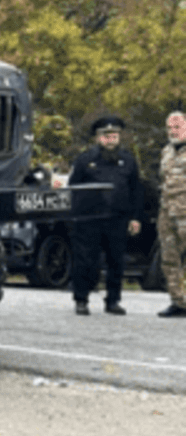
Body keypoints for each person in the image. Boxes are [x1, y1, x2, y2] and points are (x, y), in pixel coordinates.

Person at [68, 116, 143, 315]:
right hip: (89, 219)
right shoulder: (85, 160)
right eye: (106, 136)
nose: (111, 139)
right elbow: (73, 187)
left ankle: (113, 300)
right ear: (97, 138)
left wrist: (135, 217)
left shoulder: (128, 160)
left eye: (115, 135)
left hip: (117, 218)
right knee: (86, 260)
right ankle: (81, 299)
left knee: (116, 261)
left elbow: (136, 190)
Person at [157, 111, 186, 318]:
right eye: (170, 128)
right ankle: (178, 301)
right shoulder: (166, 151)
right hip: (168, 211)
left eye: (177, 127)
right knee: (169, 258)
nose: (173, 131)